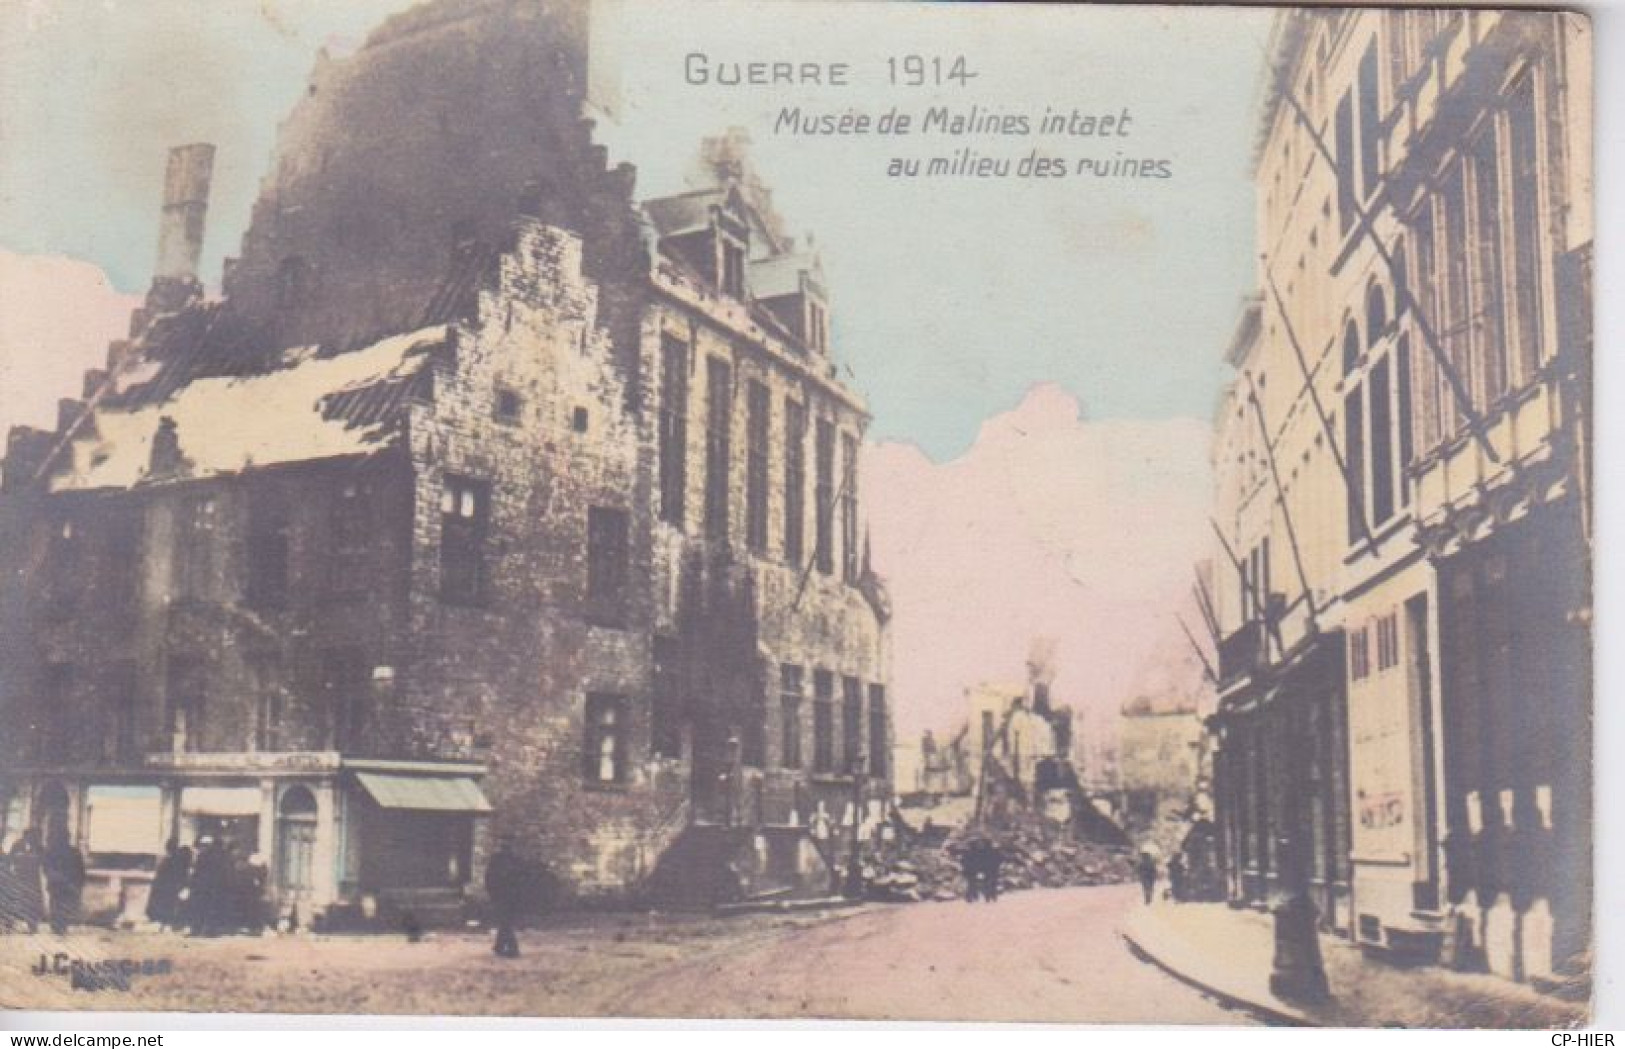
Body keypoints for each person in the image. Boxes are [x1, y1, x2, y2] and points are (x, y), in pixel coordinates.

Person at [484, 839, 525, 959]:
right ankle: (499, 946)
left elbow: (489, 878)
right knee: (506, 921)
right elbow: (522, 880)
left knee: (505, 921)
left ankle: (513, 948)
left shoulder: (497, 860)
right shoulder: (516, 861)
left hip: (502, 895)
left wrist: (491, 892)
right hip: (511, 896)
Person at [42, 827, 85, 935]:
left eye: (65, 837)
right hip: (57, 883)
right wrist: (54, 876)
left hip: (66, 884)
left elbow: (80, 869)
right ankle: (57, 925)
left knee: (63, 905)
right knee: (57, 905)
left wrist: (78, 883)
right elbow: (46, 867)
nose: (63, 840)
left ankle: (61, 925)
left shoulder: (74, 852)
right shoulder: (52, 852)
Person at [4, 830, 45, 933]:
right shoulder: (17, 845)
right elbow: (10, 859)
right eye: (27, 837)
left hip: (33, 880)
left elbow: (44, 861)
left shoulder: (39, 847)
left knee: (33, 903)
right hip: (19, 878)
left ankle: (32, 926)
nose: (29, 839)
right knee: (17, 901)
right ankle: (11, 924)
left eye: (32, 837)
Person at [147, 840, 191, 930]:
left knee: (165, 905)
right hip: (173, 886)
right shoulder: (178, 860)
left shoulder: (170, 860)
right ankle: (167, 923)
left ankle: (165, 923)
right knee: (171, 905)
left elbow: (162, 874)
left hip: (166, 886)